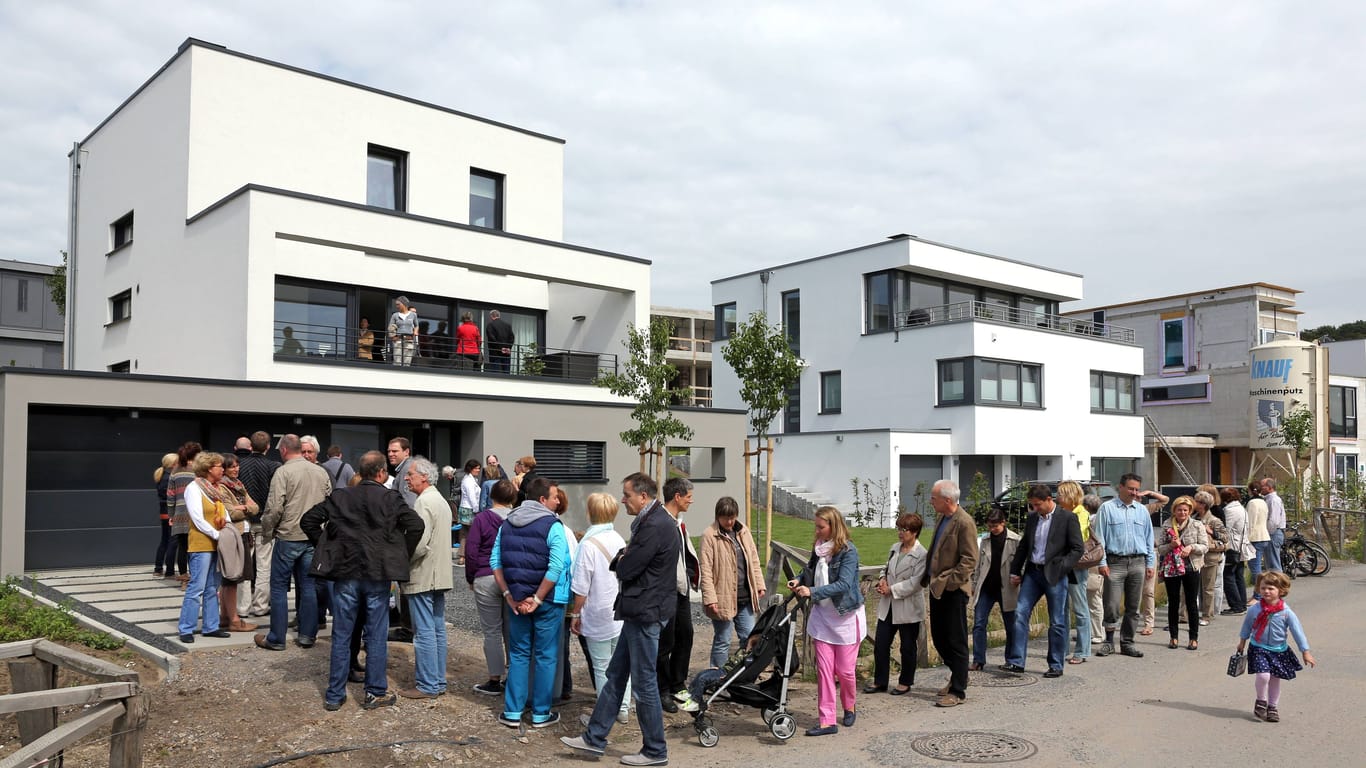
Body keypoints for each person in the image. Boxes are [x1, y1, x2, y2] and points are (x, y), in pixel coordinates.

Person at [562, 473, 680, 767]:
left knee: (643, 684)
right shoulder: (653, 521)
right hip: (641, 611)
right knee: (616, 675)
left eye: (626, 495)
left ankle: (655, 750)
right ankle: (594, 738)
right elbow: (626, 560)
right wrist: (624, 558)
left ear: (642, 496)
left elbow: (627, 568)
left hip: (645, 613)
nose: (623, 499)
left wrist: (624, 559)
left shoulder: (653, 525)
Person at [301, 450, 425, 711]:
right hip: (376, 573)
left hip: (346, 571)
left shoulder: (341, 496)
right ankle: (374, 692)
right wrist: (399, 553)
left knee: (342, 633)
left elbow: (309, 520)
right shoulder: (390, 497)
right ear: (381, 473)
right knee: (376, 633)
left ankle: (335, 694)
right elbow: (415, 525)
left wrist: (328, 547)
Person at [491, 476, 572, 729]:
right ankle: (540, 713)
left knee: (518, 655)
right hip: (547, 602)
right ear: (542, 500)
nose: (558, 500)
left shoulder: (507, 524)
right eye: (555, 496)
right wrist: (537, 598)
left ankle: (512, 712)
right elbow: (556, 566)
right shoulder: (553, 526)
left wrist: (509, 596)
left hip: (516, 600)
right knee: (546, 656)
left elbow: (496, 562)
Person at [788, 506, 864, 736]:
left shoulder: (849, 552)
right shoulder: (818, 548)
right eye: (816, 526)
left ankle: (849, 705)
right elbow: (809, 569)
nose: (817, 530)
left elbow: (843, 584)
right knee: (824, 670)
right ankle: (827, 720)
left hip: (845, 617)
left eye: (821, 526)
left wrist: (812, 592)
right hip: (823, 618)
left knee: (845, 671)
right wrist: (798, 579)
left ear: (833, 526)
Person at [255, 434, 331, 652]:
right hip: (312, 537)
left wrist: (268, 532)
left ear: (284, 450)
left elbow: (275, 507)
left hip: (288, 536)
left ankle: (277, 638)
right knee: (308, 586)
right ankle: (308, 634)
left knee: (278, 587)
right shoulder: (320, 471)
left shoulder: (283, 472)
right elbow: (329, 501)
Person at [1003, 485, 1084, 677]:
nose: (1035, 508)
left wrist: (1062, 567)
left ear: (1049, 500)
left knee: (1056, 621)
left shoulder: (1067, 518)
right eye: (1032, 505)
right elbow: (1024, 546)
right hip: (1033, 572)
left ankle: (1056, 664)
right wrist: (1015, 570)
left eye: (1038, 505)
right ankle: (1017, 661)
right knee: (1020, 614)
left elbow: (1077, 549)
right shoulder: (1032, 519)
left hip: (1055, 575)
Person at [570, 492, 631, 725]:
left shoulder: (587, 544)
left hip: (596, 612)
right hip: (619, 610)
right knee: (622, 663)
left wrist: (576, 613)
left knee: (601, 665)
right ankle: (623, 708)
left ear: (590, 513)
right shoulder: (618, 538)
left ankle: (606, 711)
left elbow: (581, 586)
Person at [398, 457, 453, 699]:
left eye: (410, 474)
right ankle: (437, 681)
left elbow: (419, 544)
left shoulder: (423, 502)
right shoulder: (439, 500)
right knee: (437, 629)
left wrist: (401, 562)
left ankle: (428, 684)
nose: (407, 478)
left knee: (424, 632)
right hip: (439, 574)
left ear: (424, 476)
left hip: (423, 574)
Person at [923, 479, 978, 707]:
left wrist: (951, 583)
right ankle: (959, 673)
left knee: (955, 639)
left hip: (952, 590)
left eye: (934, 498)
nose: (930, 501)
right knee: (939, 637)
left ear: (947, 500)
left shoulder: (964, 522)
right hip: (937, 587)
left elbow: (970, 559)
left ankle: (958, 690)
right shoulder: (942, 518)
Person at [1093, 473, 1157, 658]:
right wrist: (1102, 562)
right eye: (1130, 488)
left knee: (1133, 606)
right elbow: (1100, 538)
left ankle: (1127, 642)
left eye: (1137, 489)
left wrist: (1150, 563)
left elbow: (1148, 538)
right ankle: (1109, 641)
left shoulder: (1142, 511)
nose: (1134, 492)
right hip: (1115, 562)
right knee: (1111, 604)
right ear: (1120, 487)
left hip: (1138, 562)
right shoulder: (1107, 508)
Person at [1238, 571, 1315, 723]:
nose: (1266, 591)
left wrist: (1305, 652)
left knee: (1274, 679)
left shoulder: (1286, 612)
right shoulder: (1255, 609)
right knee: (1263, 675)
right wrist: (1242, 642)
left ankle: (1272, 707)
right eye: (1263, 588)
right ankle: (1261, 701)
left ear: (1281, 591)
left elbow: (1297, 632)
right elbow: (1247, 626)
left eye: (1271, 588)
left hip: (1279, 650)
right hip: (1258, 647)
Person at [699, 496, 766, 669]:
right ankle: (716, 678)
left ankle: (744, 676)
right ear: (718, 516)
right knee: (723, 640)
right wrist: (710, 598)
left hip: (745, 597)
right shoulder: (709, 535)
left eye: (732, 517)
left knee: (749, 638)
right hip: (722, 598)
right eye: (725, 518)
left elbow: (753, 559)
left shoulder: (743, 531)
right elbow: (705, 570)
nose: (729, 521)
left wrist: (759, 584)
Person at [466, 479, 517, 696]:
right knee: (512, 631)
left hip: (486, 576)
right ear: (513, 498)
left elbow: (471, 550)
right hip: (511, 578)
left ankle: (494, 679)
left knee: (492, 631)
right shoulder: (517, 519)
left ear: (491, 496)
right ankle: (514, 676)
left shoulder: (482, 519)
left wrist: (471, 577)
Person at [866, 512, 926, 695]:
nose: (900, 533)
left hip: (908, 606)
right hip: (888, 605)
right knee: (881, 644)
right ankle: (880, 681)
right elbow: (886, 567)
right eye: (899, 529)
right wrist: (882, 580)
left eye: (904, 530)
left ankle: (905, 681)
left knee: (907, 646)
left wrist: (891, 589)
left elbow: (916, 583)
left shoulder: (921, 554)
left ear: (914, 532)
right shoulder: (895, 548)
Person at [176, 452, 233, 643]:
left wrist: (229, 532)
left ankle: (211, 626)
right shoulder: (194, 488)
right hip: (202, 543)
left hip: (218, 544)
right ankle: (186, 628)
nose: (223, 469)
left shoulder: (217, 489)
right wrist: (217, 534)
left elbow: (225, 514)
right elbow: (197, 518)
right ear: (209, 468)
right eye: (220, 466)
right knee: (197, 587)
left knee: (212, 587)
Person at [656, 477, 700, 714]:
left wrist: (690, 573)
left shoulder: (679, 523)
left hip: (680, 590)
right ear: (677, 496)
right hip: (665, 592)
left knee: (686, 634)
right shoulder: (663, 523)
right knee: (666, 641)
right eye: (689, 496)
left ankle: (677, 683)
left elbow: (686, 553)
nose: (691, 501)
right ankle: (662, 688)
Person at [969, 508, 1020, 672]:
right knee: (978, 624)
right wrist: (974, 584)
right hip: (987, 588)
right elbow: (978, 565)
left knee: (1011, 626)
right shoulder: (985, 540)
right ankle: (978, 660)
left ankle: (1010, 659)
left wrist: (1019, 577)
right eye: (989, 526)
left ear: (1003, 523)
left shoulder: (1015, 540)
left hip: (1007, 588)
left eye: (995, 526)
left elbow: (1021, 563)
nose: (992, 530)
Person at [1156, 495, 1207, 650]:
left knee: (1191, 603)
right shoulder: (1166, 525)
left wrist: (1191, 547)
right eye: (1179, 510)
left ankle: (1193, 638)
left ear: (1190, 511)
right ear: (1174, 510)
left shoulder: (1197, 525)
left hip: (1191, 567)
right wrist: (1171, 545)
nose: (1182, 513)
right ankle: (1174, 637)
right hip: (1172, 568)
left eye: (1185, 510)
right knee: (1173, 602)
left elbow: (1205, 546)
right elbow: (1160, 548)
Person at [239, 431, 280, 618]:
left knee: (244, 565)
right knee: (264, 566)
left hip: (244, 520)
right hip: (265, 521)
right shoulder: (273, 466)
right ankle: (261, 605)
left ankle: (242, 607)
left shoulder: (239, 465)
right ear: (268, 446)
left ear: (250, 446)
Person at [218, 454, 258, 632]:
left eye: (237, 466)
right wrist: (245, 509)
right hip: (233, 534)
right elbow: (231, 514)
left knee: (235, 579)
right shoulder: (222, 487)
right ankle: (232, 619)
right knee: (232, 578)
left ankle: (226, 617)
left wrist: (245, 508)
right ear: (224, 469)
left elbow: (255, 506)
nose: (235, 469)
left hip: (243, 533)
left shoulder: (239, 485)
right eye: (231, 466)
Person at [1058, 481, 1092, 664]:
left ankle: (1082, 650)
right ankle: (1062, 649)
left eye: (1060, 494)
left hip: (1076, 566)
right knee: (1061, 609)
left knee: (1079, 608)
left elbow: (1075, 539)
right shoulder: (1063, 513)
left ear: (1070, 496)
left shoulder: (1081, 514)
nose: (1057, 498)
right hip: (1062, 565)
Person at [166, 442, 203, 587]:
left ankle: (184, 580)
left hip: (180, 513)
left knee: (182, 547)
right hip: (196, 513)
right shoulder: (199, 470)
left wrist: (171, 515)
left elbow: (170, 495)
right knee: (195, 547)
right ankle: (196, 577)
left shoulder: (175, 471)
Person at [1137, 488, 1171, 636]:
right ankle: (1131, 620)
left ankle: (1148, 623)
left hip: (1148, 554)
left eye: (1138, 496)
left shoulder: (1145, 509)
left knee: (1148, 592)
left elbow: (1165, 500)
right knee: (1133, 592)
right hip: (1132, 556)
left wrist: (1149, 493)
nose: (1136, 498)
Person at [1195, 490, 1228, 624]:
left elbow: (1226, 538)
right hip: (1195, 557)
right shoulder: (1193, 518)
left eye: (1196, 501)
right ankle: (1185, 615)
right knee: (1191, 589)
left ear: (1203, 504)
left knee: (1208, 588)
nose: (1194, 503)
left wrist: (1212, 532)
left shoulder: (1214, 520)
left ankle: (1207, 615)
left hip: (1210, 558)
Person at [1220, 488, 1252, 616]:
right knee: (1239, 576)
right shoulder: (1241, 508)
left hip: (1232, 546)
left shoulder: (1229, 510)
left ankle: (1236, 606)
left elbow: (1225, 528)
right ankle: (1242, 604)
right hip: (1242, 545)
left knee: (1228, 576)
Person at [1081, 494, 1106, 648]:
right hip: (1093, 560)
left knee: (1093, 597)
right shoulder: (1097, 518)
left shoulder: (1093, 520)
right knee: (1090, 598)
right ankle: (1090, 632)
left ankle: (1097, 633)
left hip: (1092, 561)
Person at [154, 453, 176, 576]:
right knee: (172, 542)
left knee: (165, 541)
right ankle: (170, 570)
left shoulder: (161, 476)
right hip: (170, 513)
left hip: (164, 513)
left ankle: (158, 568)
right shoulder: (169, 478)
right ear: (173, 464)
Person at [457, 459, 482, 565]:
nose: (478, 470)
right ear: (470, 469)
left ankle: (462, 556)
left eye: (479, 468)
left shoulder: (469, 479)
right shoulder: (469, 481)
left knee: (464, 533)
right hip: (470, 509)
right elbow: (472, 497)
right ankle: (470, 555)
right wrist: (476, 509)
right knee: (473, 533)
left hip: (464, 508)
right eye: (476, 468)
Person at [1246, 480, 1271, 585]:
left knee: (1255, 567)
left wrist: (1247, 538)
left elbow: (1250, 522)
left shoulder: (1252, 503)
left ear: (1250, 491)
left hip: (1255, 537)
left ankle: (1258, 594)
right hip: (1264, 535)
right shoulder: (1263, 501)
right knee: (1257, 565)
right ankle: (1258, 592)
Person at [1260, 477, 1286, 574]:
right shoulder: (1269, 499)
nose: (1260, 488)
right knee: (1270, 562)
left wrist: (1267, 532)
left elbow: (1274, 520)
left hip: (1273, 533)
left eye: (1263, 486)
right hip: (1273, 532)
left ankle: (1278, 584)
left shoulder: (1273, 500)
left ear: (1270, 487)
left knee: (1273, 564)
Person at [388, 295, 418, 367]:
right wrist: (393, 337)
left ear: (404, 304)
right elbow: (390, 327)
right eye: (396, 305)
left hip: (409, 341)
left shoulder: (413, 315)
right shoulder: (395, 315)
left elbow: (416, 325)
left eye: (398, 304)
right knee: (397, 362)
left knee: (407, 363)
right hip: (398, 341)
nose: (397, 306)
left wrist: (415, 332)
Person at [485, 309, 516, 374]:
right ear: (499, 315)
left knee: (495, 374)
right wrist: (508, 348)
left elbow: (492, 339)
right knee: (506, 374)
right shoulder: (507, 325)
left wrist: (500, 348)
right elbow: (512, 338)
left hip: (495, 353)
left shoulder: (490, 325)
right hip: (506, 354)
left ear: (491, 316)